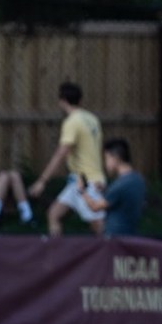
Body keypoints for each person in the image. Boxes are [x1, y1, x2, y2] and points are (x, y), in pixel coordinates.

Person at [29, 82, 106, 237]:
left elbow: (61, 153)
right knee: (54, 214)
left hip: (87, 182)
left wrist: (42, 181)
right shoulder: (91, 118)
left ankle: (113, 254)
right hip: (80, 181)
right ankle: (57, 257)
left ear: (62, 101)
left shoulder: (72, 122)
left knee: (99, 227)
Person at [80, 138, 146, 237]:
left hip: (115, 238)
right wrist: (106, 189)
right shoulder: (138, 179)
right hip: (131, 235)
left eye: (106, 158)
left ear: (115, 158)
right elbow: (123, 198)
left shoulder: (120, 186)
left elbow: (95, 207)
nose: (105, 163)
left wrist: (82, 190)